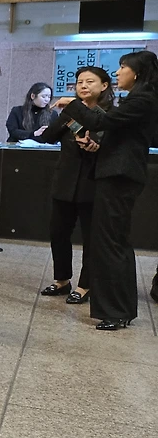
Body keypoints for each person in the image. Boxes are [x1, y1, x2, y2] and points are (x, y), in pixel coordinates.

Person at [51, 50, 158, 330]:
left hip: (120, 177)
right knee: (109, 242)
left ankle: (117, 311)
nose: (118, 72)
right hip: (114, 174)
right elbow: (117, 136)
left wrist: (74, 104)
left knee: (112, 244)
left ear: (136, 72)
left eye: (122, 67)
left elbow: (101, 122)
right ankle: (115, 309)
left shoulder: (143, 99)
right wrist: (97, 146)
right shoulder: (137, 99)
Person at [34, 66, 113, 305]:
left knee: (91, 237)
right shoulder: (71, 112)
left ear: (104, 86)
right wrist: (67, 118)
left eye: (90, 81)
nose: (83, 86)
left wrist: (95, 145)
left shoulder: (111, 114)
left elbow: (109, 143)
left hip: (93, 182)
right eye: (79, 82)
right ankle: (62, 280)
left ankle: (85, 285)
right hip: (65, 181)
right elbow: (48, 137)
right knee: (58, 232)